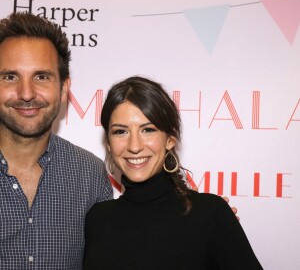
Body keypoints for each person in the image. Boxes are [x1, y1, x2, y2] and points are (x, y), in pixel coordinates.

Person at [83, 76, 263, 270]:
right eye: (121, 132)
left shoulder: (210, 214)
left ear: (170, 138)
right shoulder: (98, 219)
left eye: (148, 130)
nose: (134, 146)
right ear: (108, 143)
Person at [0, 12, 113, 270]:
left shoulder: (90, 174)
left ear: (63, 89)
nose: (26, 93)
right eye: (10, 77)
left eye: (41, 76)